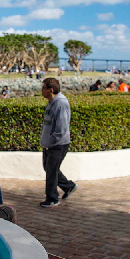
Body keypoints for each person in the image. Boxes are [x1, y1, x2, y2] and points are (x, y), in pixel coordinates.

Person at [39, 78, 76, 208]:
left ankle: (52, 198)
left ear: (51, 90)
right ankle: (69, 186)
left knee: (51, 171)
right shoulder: (52, 102)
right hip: (49, 143)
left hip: (57, 144)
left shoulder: (60, 104)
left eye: (44, 88)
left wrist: (51, 142)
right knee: (49, 169)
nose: (42, 90)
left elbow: (61, 128)